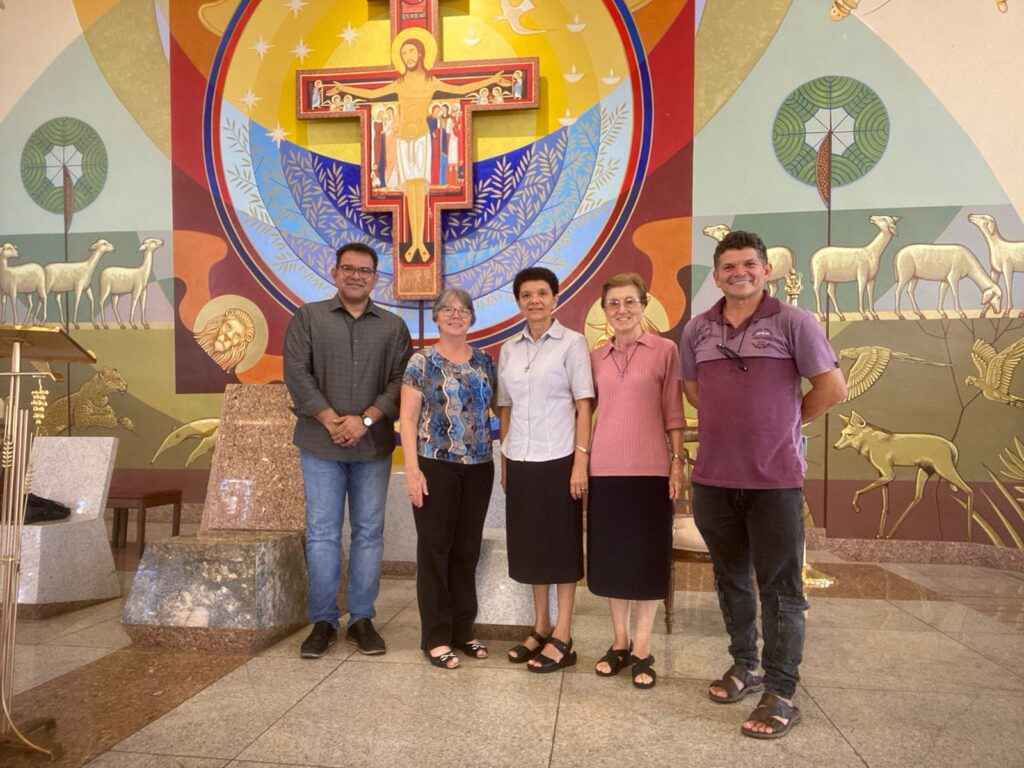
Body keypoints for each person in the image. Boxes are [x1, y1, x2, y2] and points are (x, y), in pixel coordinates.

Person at [680, 230, 846, 739]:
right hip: (713, 479)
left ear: (766, 270)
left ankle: (781, 691)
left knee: (781, 589)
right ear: (717, 275)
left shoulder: (795, 322)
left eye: (749, 264)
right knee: (729, 578)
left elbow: (833, 387)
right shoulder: (697, 331)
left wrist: (785, 422)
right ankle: (744, 664)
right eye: (729, 266)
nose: (740, 273)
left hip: (775, 481)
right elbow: (694, 390)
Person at [284, 242, 412, 659]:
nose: (356, 276)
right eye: (349, 269)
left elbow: (400, 381)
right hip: (320, 444)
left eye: (365, 271)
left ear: (375, 278)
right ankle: (323, 620)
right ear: (335, 273)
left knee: (368, 533)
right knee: (322, 533)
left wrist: (365, 420)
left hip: (372, 446)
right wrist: (330, 420)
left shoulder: (393, 326)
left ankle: (361, 619)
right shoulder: (308, 318)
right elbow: (296, 373)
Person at [588, 273, 686, 690]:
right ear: (604, 311)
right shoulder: (596, 356)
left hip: (651, 469)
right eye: (613, 303)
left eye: (630, 301)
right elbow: (584, 412)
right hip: (605, 468)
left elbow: (673, 412)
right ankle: (620, 641)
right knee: (614, 558)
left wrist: (677, 462)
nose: (622, 310)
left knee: (646, 559)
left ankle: (643, 648)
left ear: (644, 305)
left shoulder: (665, 351)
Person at [497, 267, 593, 672]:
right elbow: (505, 407)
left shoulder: (573, 343)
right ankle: (541, 626)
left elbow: (584, 405)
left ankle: (564, 635)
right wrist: (505, 460)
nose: (534, 300)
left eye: (542, 293)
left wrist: (580, 462)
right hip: (520, 459)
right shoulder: (509, 348)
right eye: (526, 295)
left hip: (559, 459)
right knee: (533, 547)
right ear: (518, 302)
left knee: (561, 547)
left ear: (556, 298)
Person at [399, 288, 496, 669]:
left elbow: (494, 410)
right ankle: (436, 637)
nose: (456, 315)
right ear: (437, 317)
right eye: (448, 310)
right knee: (435, 550)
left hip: (479, 466)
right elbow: (408, 418)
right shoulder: (421, 361)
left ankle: (463, 630)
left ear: (472, 317)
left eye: (463, 310)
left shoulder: (485, 361)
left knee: (467, 551)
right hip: (434, 464)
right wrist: (412, 470)